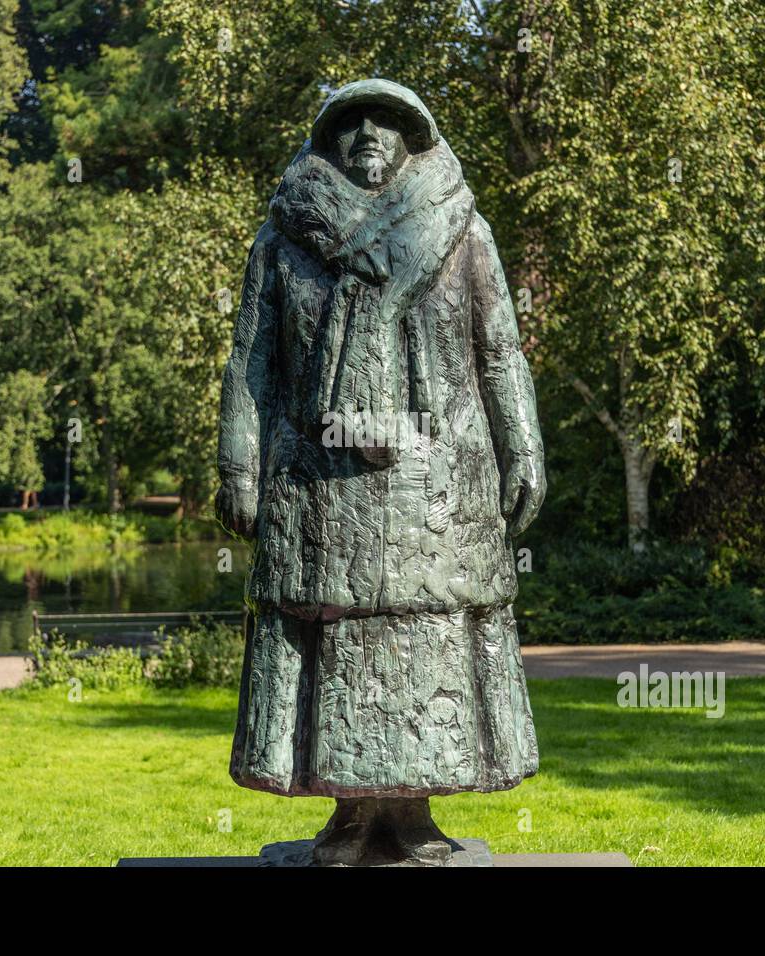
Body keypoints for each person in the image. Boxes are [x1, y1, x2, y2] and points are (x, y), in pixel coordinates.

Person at [216, 78, 546, 865]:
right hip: (317, 482)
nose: (367, 132)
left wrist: (523, 445)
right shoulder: (284, 240)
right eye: (349, 121)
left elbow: (498, 349)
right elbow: (251, 360)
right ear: (325, 140)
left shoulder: (463, 232)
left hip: (438, 480)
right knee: (335, 636)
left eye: (387, 120)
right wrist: (238, 462)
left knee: (425, 632)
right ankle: (350, 816)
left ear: (414, 139)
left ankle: (415, 814)